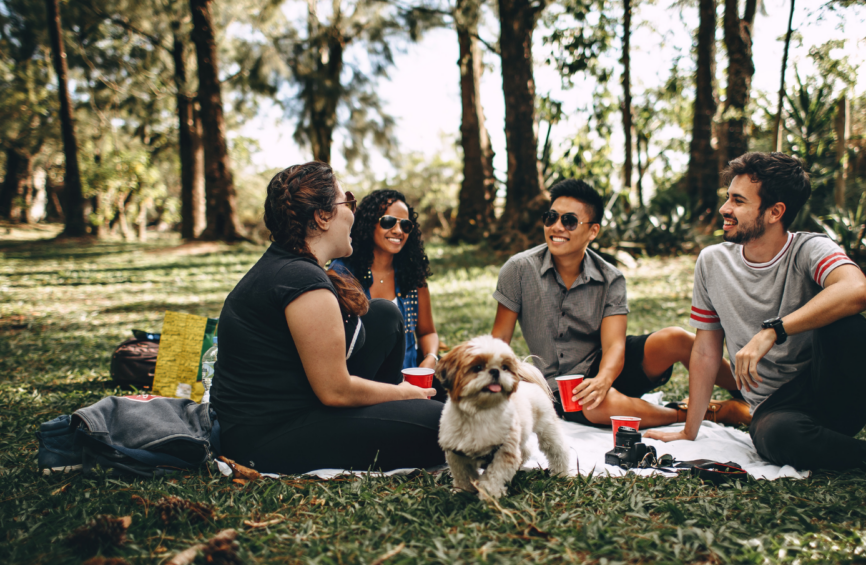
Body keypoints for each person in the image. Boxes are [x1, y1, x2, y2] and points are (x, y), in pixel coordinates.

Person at [646, 152, 866, 487]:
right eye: (729, 196)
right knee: (776, 438)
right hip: (776, 410)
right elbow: (706, 351)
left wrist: (774, 330)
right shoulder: (712, 262)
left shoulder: (810, 248)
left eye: (738, 201)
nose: (725, 207)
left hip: (833, 389)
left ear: (775, 212)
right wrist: (689, 430)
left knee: (846, 325)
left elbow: (858, 290)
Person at [211, 162, 445, 474]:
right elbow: (335, 391)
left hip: (302, 402)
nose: (353, 212)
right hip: (266, 435)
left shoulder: (293, 265)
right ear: (322, 217)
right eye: (347, 201)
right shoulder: (300, 280)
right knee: (443, 425)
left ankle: (399, 411)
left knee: (384, 315)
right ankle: (404, 411)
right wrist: (405, 392)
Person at [490, 179, 750, 428]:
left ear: (593, 231)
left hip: (608, 367)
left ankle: (752, 395)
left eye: (569, 221)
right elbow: (499, 339)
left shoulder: (610, 278)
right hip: (560, 387)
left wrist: (603, 379)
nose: (557, 227)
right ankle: (705, 412)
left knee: (677, 338)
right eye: (551, 217)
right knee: (596, 405)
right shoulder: (519, 270)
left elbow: (614, 344)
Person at [328, 189, 439, 371]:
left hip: (409, 380)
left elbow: (427, 332)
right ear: (369, 224)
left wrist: (430, 358)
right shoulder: (342, 274)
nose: (398, 231)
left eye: (405, 225)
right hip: (362, 382)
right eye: (388, 222)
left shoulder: (411, 275)